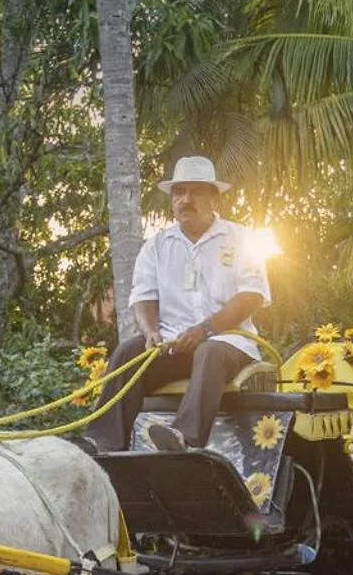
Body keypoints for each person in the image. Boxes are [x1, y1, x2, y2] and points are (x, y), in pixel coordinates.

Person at [88, 155, 272, 453]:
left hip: (228, 344)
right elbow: (143, 297)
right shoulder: (156, 246)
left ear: (214, 198)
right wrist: (150, 332)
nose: (186, 200)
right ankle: (103, 443)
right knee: (128, 352)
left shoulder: (241, 239)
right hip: (174, 345)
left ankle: (183, 438)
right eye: (179, 192)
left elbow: (252, 295)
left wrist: (205, 330)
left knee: (210, 351)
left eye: (196, 192)